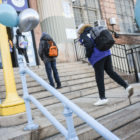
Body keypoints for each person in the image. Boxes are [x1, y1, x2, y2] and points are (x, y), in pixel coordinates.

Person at [77, 24, 134, 106]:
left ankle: (102, 98)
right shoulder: (93, 30)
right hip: (106, 53)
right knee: (111, 72)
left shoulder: (84, 34)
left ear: (80, 30)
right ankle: (126, 86)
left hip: (97, 57)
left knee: (99, 77)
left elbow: (89, 45)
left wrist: (88, 55)